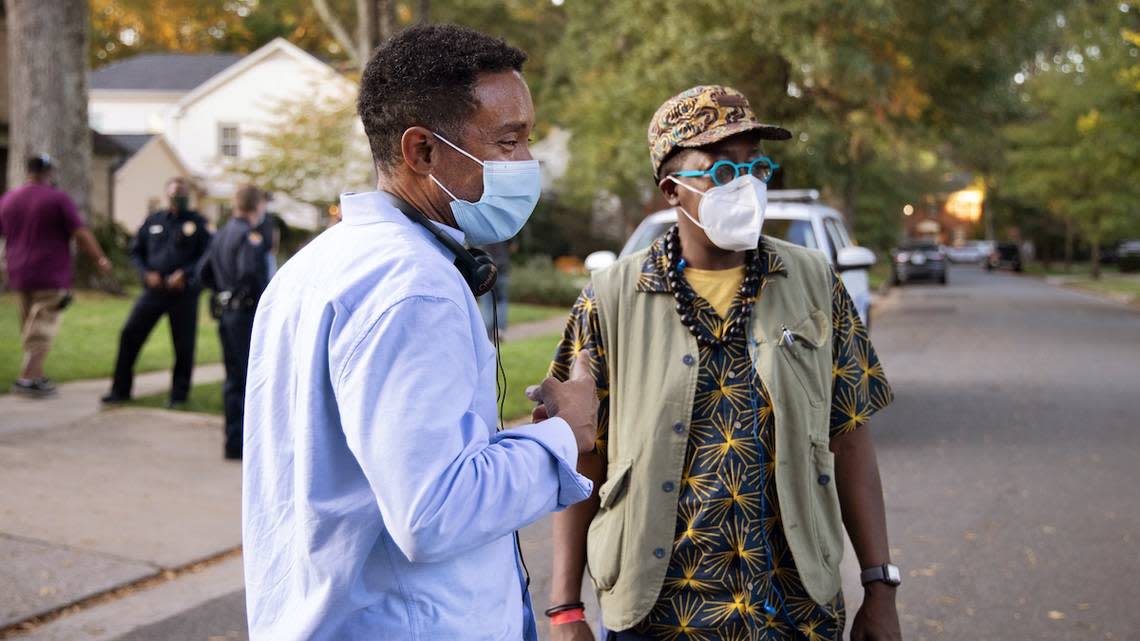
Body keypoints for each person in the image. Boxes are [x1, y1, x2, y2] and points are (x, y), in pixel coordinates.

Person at [242, 24, 599, 641]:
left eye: (527, 141)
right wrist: (566, 435)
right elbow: (435, 512)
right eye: (508, 141)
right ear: (422, 152)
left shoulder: (315, 265)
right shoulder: (415, 288)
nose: (526, 163)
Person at [546, 86, 902, 641]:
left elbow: (850, 437)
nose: (745, 184)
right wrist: (565, 608)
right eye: (719, 170)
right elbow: (582, 458)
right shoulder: (609, 299)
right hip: (659, 611)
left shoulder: (812, 282)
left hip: (792, 607)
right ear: (671, 189)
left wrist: (880, 586)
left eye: (756, 166)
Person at [0, 154, 112, 397]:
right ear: (49, 172)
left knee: (29, 325)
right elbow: (80, 234)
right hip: (50, 273)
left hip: (17, 273)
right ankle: (27, 379)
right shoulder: (57, 199)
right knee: (42, 326)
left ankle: (36, 375)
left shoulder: (9, 199)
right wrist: (100, 258)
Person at [102, 177, 210, 407]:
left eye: (181, 194)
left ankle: (178, 396)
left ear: (187, 196)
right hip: (154, 290)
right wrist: (145, 273)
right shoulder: (153, 221)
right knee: (129, 334)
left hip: (183, 294)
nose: (177, 198)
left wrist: (186, 274)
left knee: (183, 346)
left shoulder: (198, 224)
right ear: (166, 196)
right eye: (173, 194)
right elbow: (136, 252)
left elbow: (207, 257)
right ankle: (120, 390)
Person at [198, 184, 270, 460]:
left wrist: (221, 292)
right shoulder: (248, 236)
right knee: (249, 378)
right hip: (245, 313)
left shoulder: (223, 233)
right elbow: (250, 274)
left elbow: (203, 272)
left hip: (227, 313)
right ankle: (245, 441)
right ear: (257, 205)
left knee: (232, 378)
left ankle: (232, 439)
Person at [477, 240, 511, 337]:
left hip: (487, 272)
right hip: (502, 269)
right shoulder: (503, 233)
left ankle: (487, 332)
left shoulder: (483, 235)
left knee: (487, 303)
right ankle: (499, 329)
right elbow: (513, 246)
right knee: (502, 301)